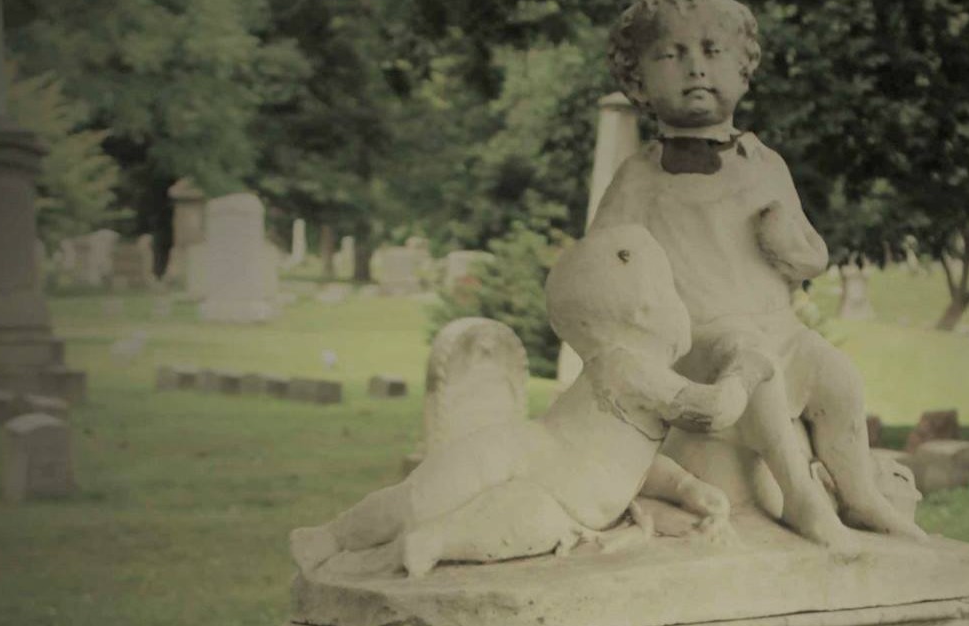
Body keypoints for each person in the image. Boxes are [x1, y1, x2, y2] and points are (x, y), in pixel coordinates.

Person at [597, 0, 922, 546]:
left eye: (711, 50)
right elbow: (601, 266)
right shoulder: (640, 178)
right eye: (671, 54)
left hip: (779, 330)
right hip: (695, 345)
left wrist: (789, 244)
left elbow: (811, 256)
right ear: (639, 81)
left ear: (742, 67)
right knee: (752, 364)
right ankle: (802, 502)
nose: (695, 67)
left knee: (838, 377)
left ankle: (860, 494)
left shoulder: (764, 164)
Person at [290, 223, 771, 577]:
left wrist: (686, 489)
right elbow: (716, 410)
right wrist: (748, 365)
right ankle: (427, 541)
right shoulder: (633, 366)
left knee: (423, 492)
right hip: (569, 493)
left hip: (527, 444)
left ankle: (340, 537)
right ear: (647, 310)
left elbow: (635, 460)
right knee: (524, 519)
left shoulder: (610, 366)